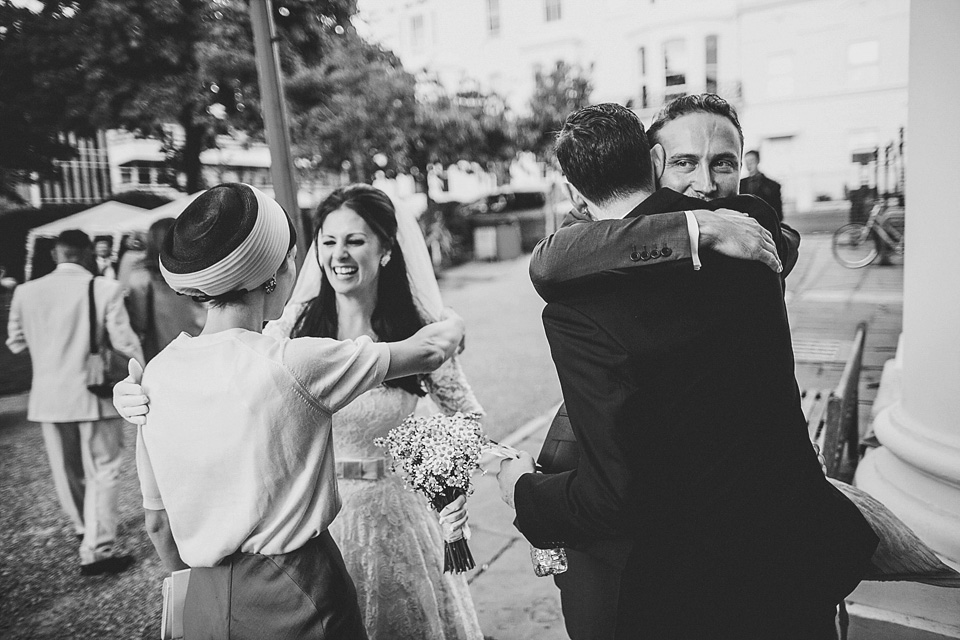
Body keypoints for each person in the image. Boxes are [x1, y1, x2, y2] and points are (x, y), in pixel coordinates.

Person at [496, 104, 878, 639]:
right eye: (685, 163)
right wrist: (692, 228)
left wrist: (521, 493)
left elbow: (616, 496)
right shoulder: (728, 234)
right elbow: (554, 256)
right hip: (777, 557)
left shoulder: (749, 230)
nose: (704, 186)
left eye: (723, 163)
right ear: (653, 164)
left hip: (691, 574)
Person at [117, 184, 484, 640]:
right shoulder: (297, 360)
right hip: (300, 586)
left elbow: (157, 522)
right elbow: (429, 352)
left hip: (208, 596)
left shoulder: (154, 377)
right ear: (274, 273)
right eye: (300, 254)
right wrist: (455, 323)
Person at [5, 229, 144, 576]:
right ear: (85, 253)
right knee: (104, 470)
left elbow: (16, 343)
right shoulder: (105, 288)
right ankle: (98, 550)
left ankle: (86, 528)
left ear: (55, 254)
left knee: (67, 473)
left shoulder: (25, 291)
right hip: (94, 393)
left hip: (49, 396)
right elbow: (126, 345)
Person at [124, 218, 205, 362]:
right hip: (201, 344)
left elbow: (138, 322)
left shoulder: (142, 276)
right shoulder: (198, 270)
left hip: (162, 351)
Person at [741, 149, 784, 220]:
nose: (749, 165)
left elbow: (778, 214)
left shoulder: (772, 186)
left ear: (758, 161)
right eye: (746, 162)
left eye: (751, 161)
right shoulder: (740, 184)